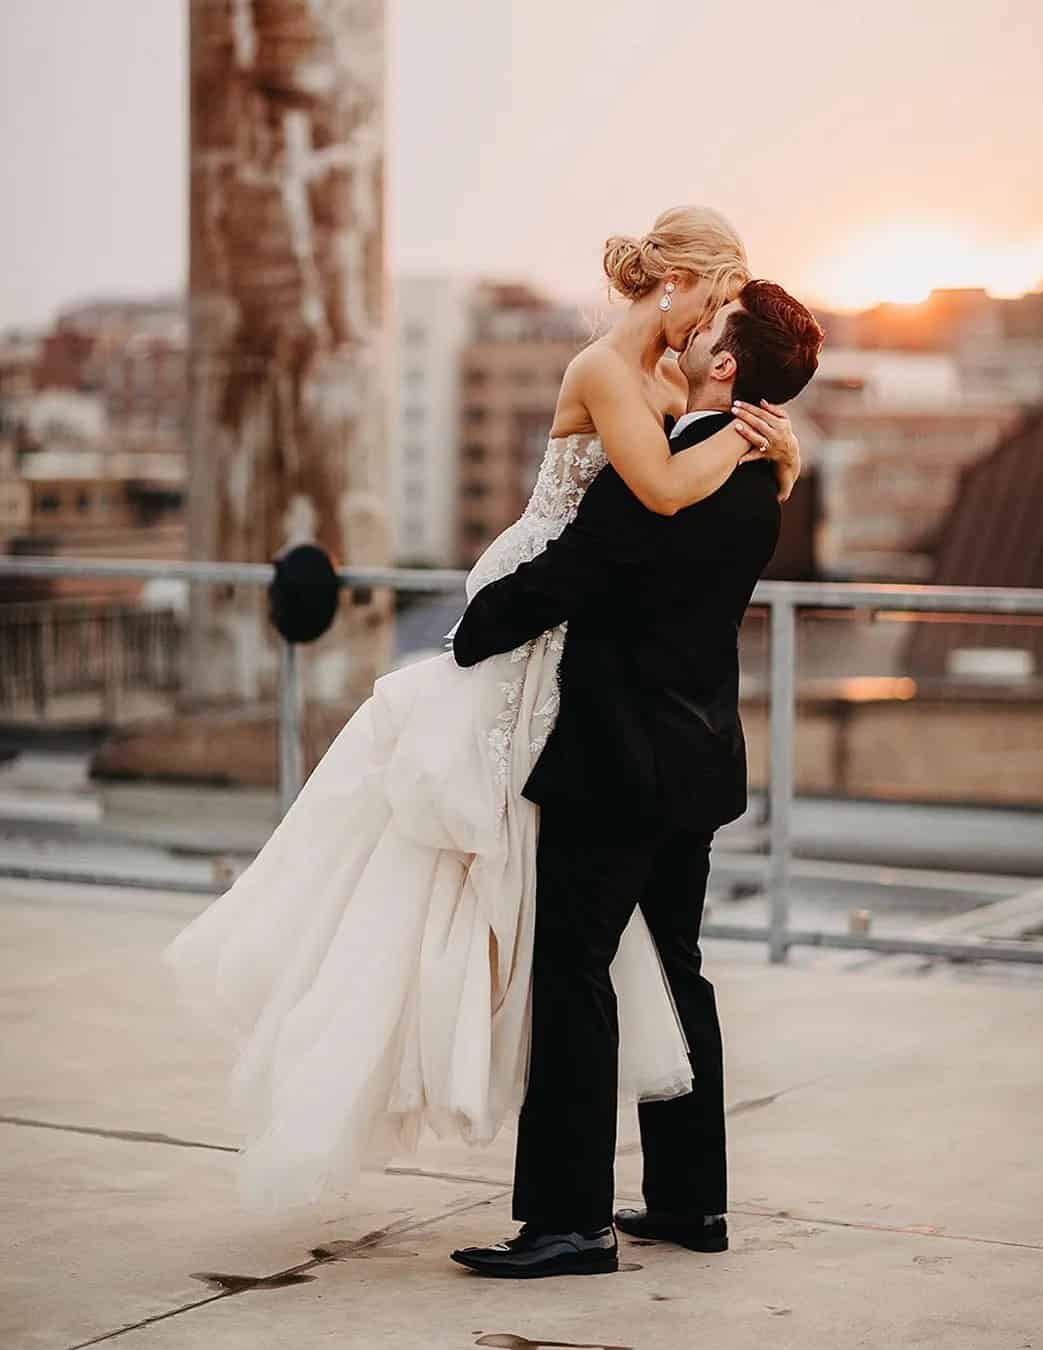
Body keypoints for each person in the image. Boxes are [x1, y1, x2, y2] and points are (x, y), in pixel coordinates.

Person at [162, 207, 802, 1213]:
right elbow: (661, 506)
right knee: (601, 929)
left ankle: (573, 1218)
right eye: (719, 298)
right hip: (631, 682)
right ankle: (683, 1202)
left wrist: (751, 448)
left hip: (592, 676)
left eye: (727, 314)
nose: (716, 320)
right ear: (679, 281)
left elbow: (632, 531)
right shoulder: (614, 374)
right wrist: (768, 457)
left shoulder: (688, 402)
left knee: (576, 955)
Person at [449, 281, 825, 1278]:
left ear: (728, 366)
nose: (693, 330)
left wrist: (474, 627)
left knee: (575, 978)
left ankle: (571, 1221)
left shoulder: (665, 470)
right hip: (697, 762)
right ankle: (692, 1201)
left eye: (710, 328)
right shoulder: (758, 475)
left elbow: (575, 570)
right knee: (677, 969)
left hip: (616, 763)